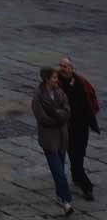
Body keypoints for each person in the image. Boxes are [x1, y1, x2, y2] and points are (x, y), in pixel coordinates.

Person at [33, 66, 75, 216]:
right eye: (54, 78)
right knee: (59, 172)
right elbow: (41, 117)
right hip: (49, 140)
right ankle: (66, 202)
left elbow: (67, 110)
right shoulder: (38, 95)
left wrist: (58, 115)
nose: (57, 80)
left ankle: (59, 194)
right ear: (46, 79)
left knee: (60, 170)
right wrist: (58, 119)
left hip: (62, 138)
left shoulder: (59, 92)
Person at [57, 56, 99, 200]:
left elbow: (91, 96)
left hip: (82, 125)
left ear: (71, 68)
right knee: (74, 156)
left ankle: (76, 175)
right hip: (67, 127)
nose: (62, 68)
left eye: (65, 66)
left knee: (79, 152)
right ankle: (86, 186)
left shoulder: (81, 81)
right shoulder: (56, 83)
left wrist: (92, 112)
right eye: (61, 65)